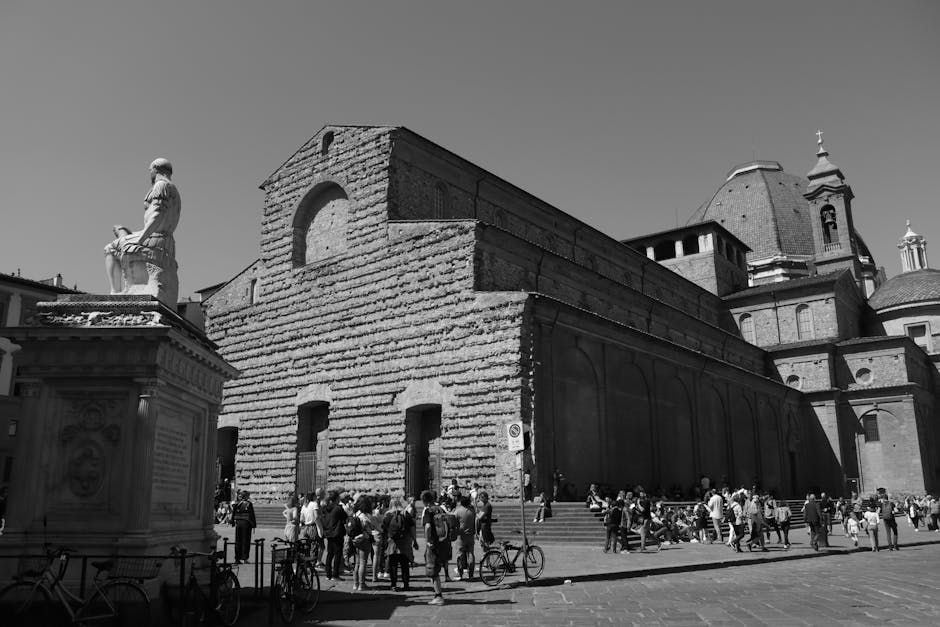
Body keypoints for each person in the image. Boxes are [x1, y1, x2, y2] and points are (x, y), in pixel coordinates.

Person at [104, 158, 182, 303]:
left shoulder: (160, 185)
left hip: (155, 239)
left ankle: (115, 293)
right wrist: (130, 233)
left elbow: (157, 214)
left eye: (150, 170)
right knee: (122, 236)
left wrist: (140, 238)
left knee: (109, 249)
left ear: (156, 169)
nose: (150, 173)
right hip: (165, 239)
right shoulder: (174, 189)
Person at [421, 489, 452, 606]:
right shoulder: (441, 509)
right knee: (437, 569)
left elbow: (428, 526)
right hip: (443, 542)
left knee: (432, 570)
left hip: (433, 543)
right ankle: (437, 594)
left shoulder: (428, 511)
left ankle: (438, 596)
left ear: (425, 501)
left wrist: (428, 541)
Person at [382, 497, 415, 591]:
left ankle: (393, 584)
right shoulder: (405, 513)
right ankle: (406, 584)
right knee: (404, 564)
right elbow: (412, 528)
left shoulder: (388, 515)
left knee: (393, 565)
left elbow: (384, 529)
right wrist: (414, 540)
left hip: (392, 543)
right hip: (404, 543)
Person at [321, 490, 348, 581]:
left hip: (329, 533)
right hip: (337, 533)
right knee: (337, 554)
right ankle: (335, 574)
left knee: (330, 554)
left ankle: (328, 574)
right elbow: (345, 517)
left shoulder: (326, 508)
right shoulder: (338, 508)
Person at [349, 496, 374, 591]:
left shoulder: (355, 514)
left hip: (355, 540)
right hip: (364, 540)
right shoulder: (364, 516)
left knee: (357, 563)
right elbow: (369, 529)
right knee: (363, 562)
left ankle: (355, 584)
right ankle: (361, 584)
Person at [453, 496, 476, 580]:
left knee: (460, 555)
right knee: (471, 554)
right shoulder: (472, 510)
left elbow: (453, 520)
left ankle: (460, 574)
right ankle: (471, 574)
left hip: (461, 536)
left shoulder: (458, 511)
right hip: (470, 535)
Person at [231, 490, 256, 564]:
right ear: (246, 496)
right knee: (246, 541)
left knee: (238, 540)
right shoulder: (248, 504)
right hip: (246, 524)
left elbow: (233, 513)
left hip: (238, 523)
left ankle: (237, 558)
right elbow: (252, 514)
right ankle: (245, 558)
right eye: (248, 495)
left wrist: (232, 522)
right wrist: (253, 524)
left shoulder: (237, 503)